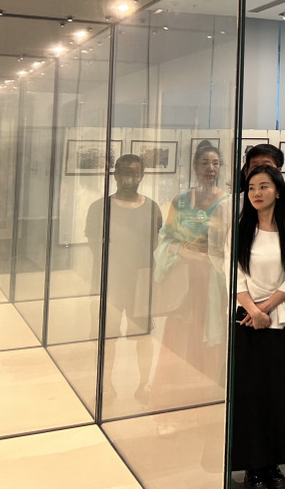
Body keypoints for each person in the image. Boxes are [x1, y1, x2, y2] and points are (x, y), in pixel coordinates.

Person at [232, 165, 285, 489]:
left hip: (279, 319)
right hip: (246, 320)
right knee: (249, 392)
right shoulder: (241, 229)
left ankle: (274, 461)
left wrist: (266, 309)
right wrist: (253, 310)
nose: (257, 193)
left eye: (264, 186)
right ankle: (253, 465)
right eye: (251, 187)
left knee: (277, 391)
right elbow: (235, 274)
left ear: (278, 190)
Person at [153, 140, 232, 391]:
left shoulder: (229, 203)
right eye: (205, 163)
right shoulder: (180, 202)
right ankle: (177, 392)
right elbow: (165, 239)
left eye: (215, 163)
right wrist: (182, 250)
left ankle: (210, 390)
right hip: (185, 282)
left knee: (213, 334)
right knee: (182, 333)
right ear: (195, 166)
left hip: (216, 282)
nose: (210, 168)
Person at [85, 154, 162, 405]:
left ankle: (144, 384)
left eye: (135, 172)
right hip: (110, 282)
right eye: (125, 171)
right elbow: (94, 244)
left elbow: (153, 243)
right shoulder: (99, 207)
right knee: (107, 337)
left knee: (144, 335)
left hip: (141, 283)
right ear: (115, 174)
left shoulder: (152, 208)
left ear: (142, 175)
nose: (130, 177)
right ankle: (106, 385)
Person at [242, 143, 285, 221]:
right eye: (255, 167)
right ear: (246, 171)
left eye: (267, 167)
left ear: (278, 171)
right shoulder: (233, 204)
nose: (260, 171)